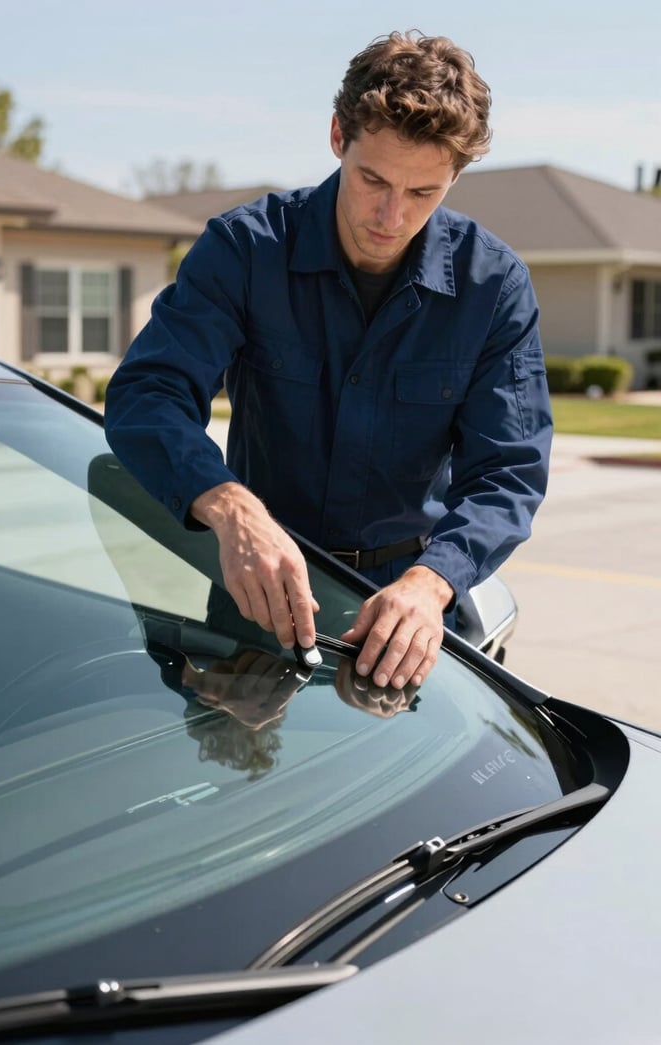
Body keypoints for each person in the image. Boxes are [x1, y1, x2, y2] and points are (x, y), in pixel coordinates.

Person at [104, 29, 552, 692]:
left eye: (424, 192)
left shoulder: (494, 287)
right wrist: (233, 509)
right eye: (373, 180)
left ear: (455, 176)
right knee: (234, 780)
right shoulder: (244, 251)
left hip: (406, 613)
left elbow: (507, 472)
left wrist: (433, 583)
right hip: (254, 592)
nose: (391, 216)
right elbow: (148, 395)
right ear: (338, 135)